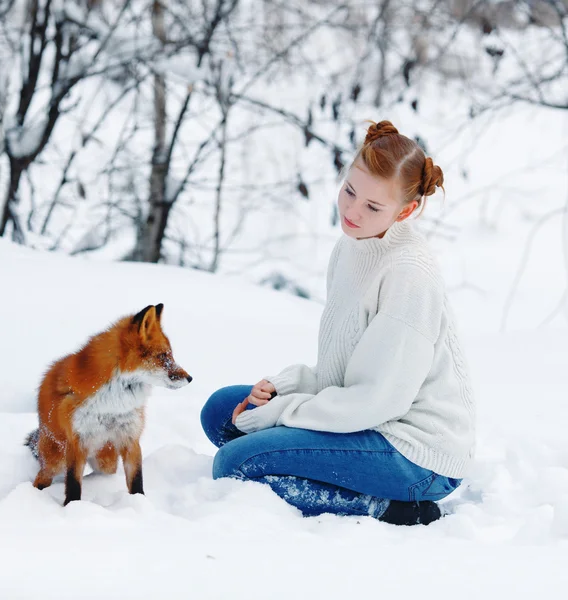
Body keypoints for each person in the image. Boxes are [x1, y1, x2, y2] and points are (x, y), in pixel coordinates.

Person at [200, 120, 475, 526]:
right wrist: (283, 388)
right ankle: (306, 461)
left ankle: (389, 507)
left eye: (372, 207)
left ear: (407, 210)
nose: (351, 211)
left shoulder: (409, 274)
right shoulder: (352, 247)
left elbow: (377, 399)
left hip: (416, 454)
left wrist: (283, 412)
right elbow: (344, 370)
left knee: (234, 462)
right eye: (349, 191)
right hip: (368, 418)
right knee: (222, 410)